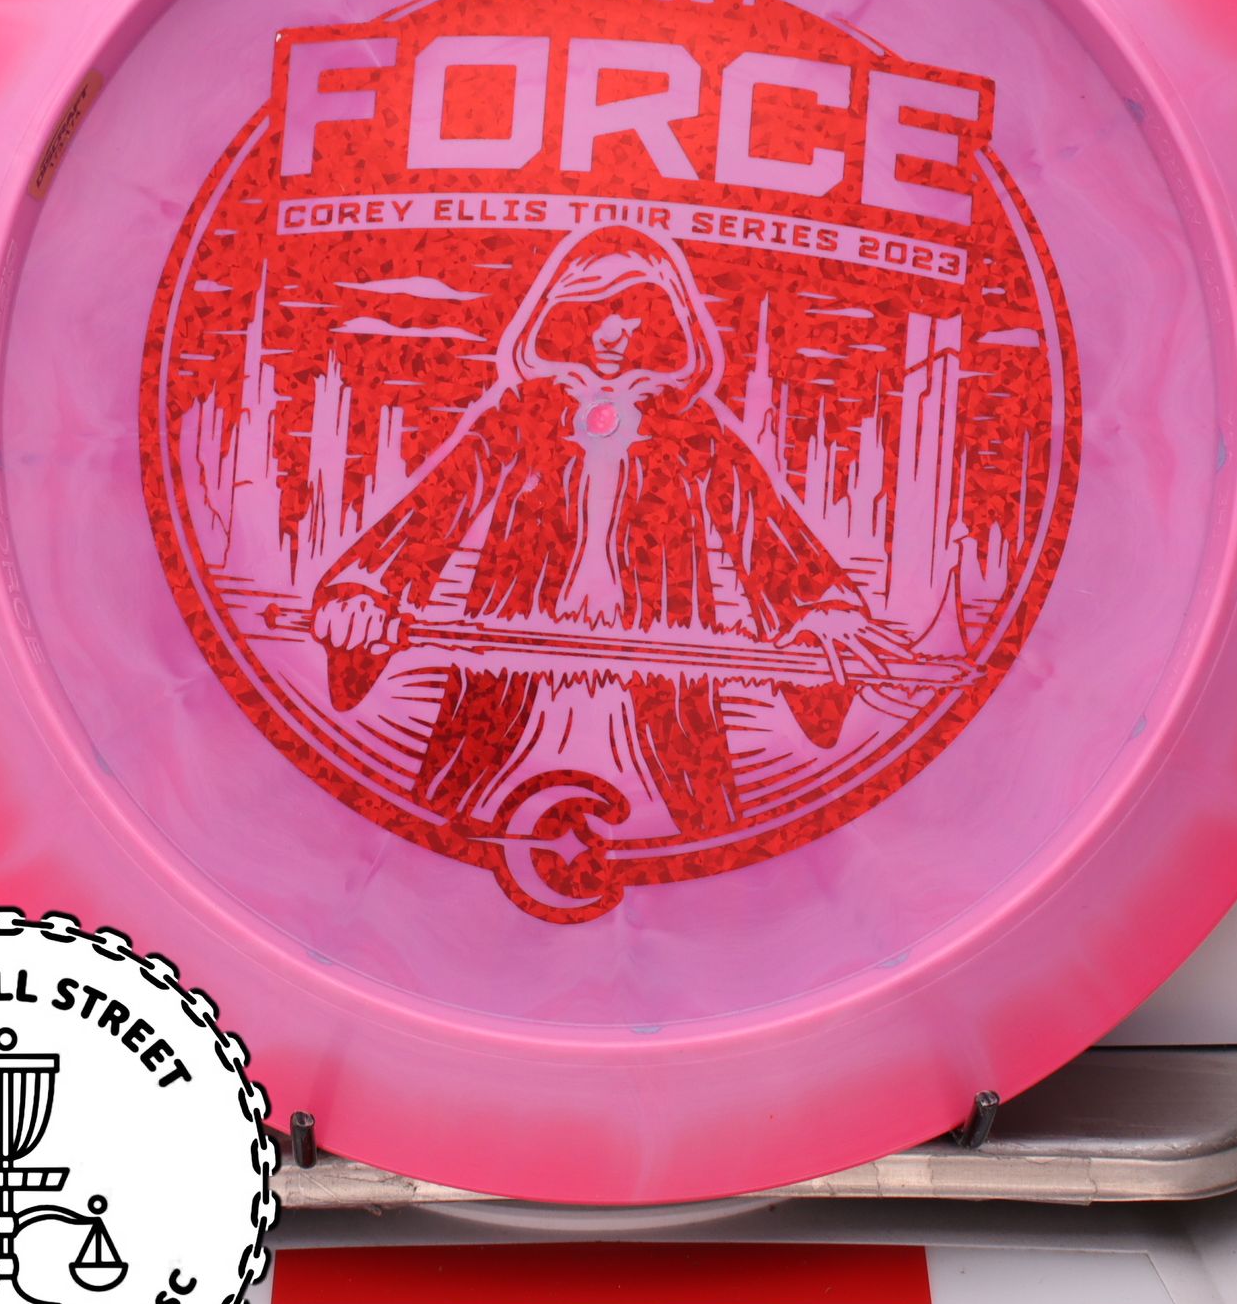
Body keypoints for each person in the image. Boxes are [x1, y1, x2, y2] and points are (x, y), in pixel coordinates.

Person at [307, 225, 899, 901]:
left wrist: (821, 611)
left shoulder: (691, 424)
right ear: (559, 314)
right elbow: (436, 508)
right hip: (505, 673)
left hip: (667, 681)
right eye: (593, 309)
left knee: (715, 852)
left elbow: (762, 528)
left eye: (635, 310)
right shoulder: (522, 413)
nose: (613, 332)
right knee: (429, 841)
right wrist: (366, 589)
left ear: (669, 320)